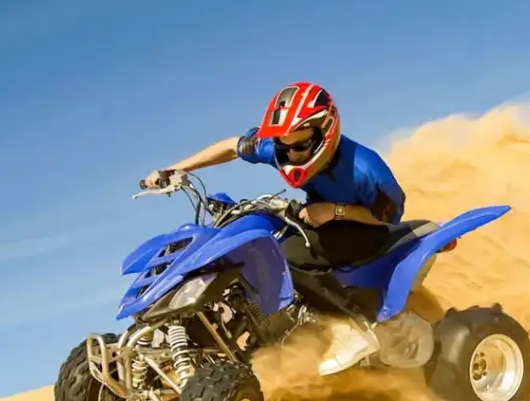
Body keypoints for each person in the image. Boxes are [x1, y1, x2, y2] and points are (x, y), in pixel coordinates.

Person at [143, 81, 407, 373]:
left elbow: (387, 217)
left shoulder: (366, 168)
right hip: (317, 217)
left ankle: (352, 330)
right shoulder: (280, 147)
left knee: (288, 253)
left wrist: (335, 211)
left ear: (326, 132)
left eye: (300, 146)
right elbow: (232, 147)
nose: (291, 154)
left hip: (364, 229)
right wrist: (177, 169)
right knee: (257, 245)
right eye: (283, 145)